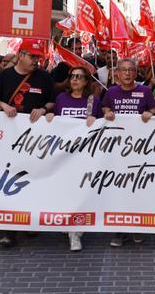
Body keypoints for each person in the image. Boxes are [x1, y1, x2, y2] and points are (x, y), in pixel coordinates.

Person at [0, 39, 55, 247]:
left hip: (34, 140)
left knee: (32, 178)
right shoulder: (4, 77)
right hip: (9, 138)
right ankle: (9, 230)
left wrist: (44, 109)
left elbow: (52, 100)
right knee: (9, 180)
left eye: (38, 57)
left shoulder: (44, 77)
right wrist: (3, 106)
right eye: (33, 56)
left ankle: (30, 221)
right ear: (21, 55)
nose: (36, 60)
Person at [102, 58, 155, 247]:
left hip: (140, 150)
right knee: (118, 190)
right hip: (117, 151)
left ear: (135, 73)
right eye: (123, 70)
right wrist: (107, 111)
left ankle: (137, 226)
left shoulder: (145, 91)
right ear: (117, 73)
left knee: (137, 189)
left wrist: (151, 113)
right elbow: (104, 107)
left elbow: (154, 108)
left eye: (131, 70)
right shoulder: (111, 92)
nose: (127, 73)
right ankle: (119, 230)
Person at [46, 65, 102, 252]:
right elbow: (56, 121)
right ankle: (70, 225)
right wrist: (51, 116)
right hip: (64, 154)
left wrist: (99, 119)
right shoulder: (61, 98)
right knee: (66, 191)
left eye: (79, 77)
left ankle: (75, 233)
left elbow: (102, 124)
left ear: (86, 81)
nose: (75, 80)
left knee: (80, 192)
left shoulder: (93, 101)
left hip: (85, 155)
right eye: (72, 76)